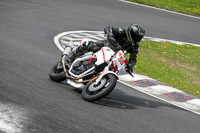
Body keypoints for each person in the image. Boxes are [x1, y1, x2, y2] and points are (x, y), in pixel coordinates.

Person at [66, 23, 145, 74]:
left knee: (114, 70)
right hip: (106, 45)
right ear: (130, 32)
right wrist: (110, 36)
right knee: (90, 45)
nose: (137, 39)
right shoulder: (122, 32)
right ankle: (71, 57)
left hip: (114, 56)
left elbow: (133, 58)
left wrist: (130, 66)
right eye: (135, 36)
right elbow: (108, 28)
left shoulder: (135, 46)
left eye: (139, 37)